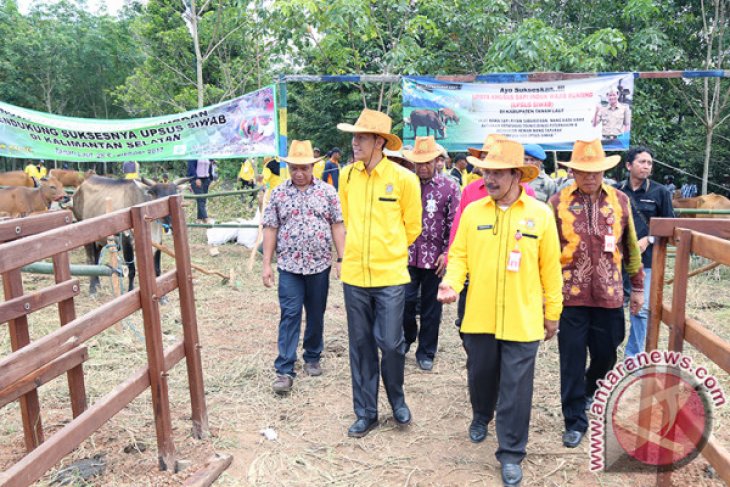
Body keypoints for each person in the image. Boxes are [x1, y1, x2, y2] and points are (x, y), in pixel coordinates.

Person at [438, 138, 563, 487]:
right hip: (479, 315)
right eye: (485, 172)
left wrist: (552, 312)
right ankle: (481, 414)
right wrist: (452, 283)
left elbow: (551, 269)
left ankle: (510, 452)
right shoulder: (473, 212)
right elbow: (459, 254)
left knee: (516, 388)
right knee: (481, 375)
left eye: (496, 173)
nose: (488, 179)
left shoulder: (540, 214)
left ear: (516, 175)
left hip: (523, 318)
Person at [548, 139, 644, 449]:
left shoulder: (620, 201)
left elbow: (630, 247)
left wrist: (638, 286)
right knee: (571, 360)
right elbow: (546, 253)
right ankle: (574, 419)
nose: (590, 177)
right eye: (584, 172)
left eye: (596, 172)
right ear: (573, 171)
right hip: (570, 297)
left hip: (610, 294)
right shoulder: (556, 203)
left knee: (606, 354)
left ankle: (590, 387)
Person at [337, 108, 422, 438]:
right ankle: (366, 412)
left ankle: (397, 400)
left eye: (361, 137)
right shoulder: (347, 176)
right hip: (355, 276)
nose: (355, 142)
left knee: (390, 342)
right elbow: (346, 218)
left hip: (390, 276)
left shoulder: (404, 180)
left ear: (379, 142)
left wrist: (389, 248)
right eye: (354, 137)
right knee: (360, 345)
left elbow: (412, 227)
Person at [261, 140, 346, 393]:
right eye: (294, 168)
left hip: (320, 266)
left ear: (313, 167)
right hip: (288, 266)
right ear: (288, 168)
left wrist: (341, 258)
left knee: (316, 312)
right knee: (290, 313)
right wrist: (266, 264)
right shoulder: (278, 193)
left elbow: (337, 225)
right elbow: (270, 228)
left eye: (304, 168)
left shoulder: (327, 192)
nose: (299, 173)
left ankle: (312, 356)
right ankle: (285, 369)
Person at [448, 135, 536, 331]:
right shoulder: (470, 191)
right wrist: (451, 259)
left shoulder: (527, 193)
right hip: (477, 266)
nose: (490, 172)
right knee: (468, 322)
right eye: (486, 159)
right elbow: (459, 227)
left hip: (513, 272)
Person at [402, 136, 460, 371]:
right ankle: (407, 337)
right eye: (419, 162)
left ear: (437, 161)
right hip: (406, 254)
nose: (423, 167)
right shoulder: (405, 184)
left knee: (431, 308)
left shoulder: (450, 187)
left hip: (435, 257)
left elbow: (454, 223)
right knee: (404, 302)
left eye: (427, 162)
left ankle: (426, 351)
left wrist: (447, 253)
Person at [615, 146, 675, 357]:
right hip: (616, 260)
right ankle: (608, 353)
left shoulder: (660, 192)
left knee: (640, 310)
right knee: (613, 306)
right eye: (642, 162)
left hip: (646, 260)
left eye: (649, 163)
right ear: (629, 165)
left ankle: (633, 359)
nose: (647, 166)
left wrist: (648, 240)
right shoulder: (616, 190)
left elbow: (670, 227)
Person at [187, 158, 214, 223]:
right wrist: (196, 178)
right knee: (201, 198)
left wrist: (210, 179)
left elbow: (210, 166)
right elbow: (191, 167)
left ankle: (199, 219)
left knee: (203, 199)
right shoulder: (193, 155)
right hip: (196, 179)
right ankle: (205, 218)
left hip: (206, 179)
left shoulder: (208, 155)